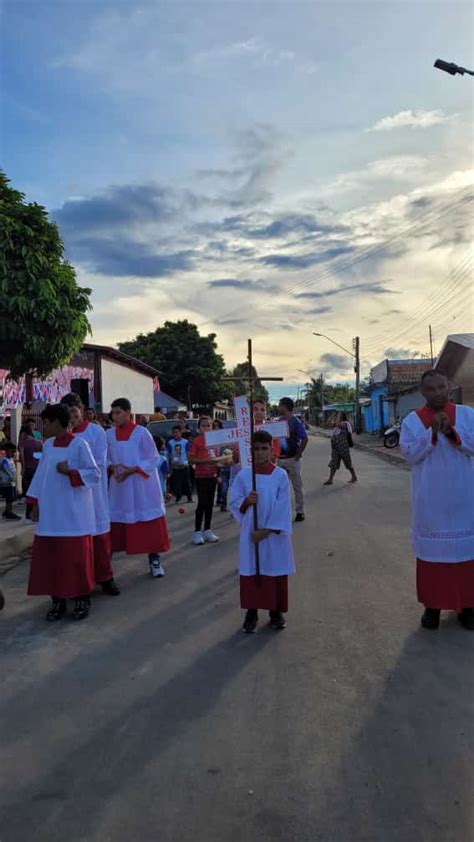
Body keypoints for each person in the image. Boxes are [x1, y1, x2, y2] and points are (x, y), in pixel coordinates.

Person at [400, 370, 474, 631]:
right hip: (430, 500)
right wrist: (430, 433)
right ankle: (432, 608)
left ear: (449, 387)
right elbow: (409, 455)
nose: (437, 393)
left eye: (441, 387)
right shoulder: (412, 421)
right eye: (431, 389)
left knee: (466, 556)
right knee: (433, 557)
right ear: (423, 392)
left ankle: (467, 607)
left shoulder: (467, 415)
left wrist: (452, 433)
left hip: (464, 497)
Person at [26, 403, 100, 621]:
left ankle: (81, 598)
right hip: (51, 512)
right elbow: (41, 475)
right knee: (53, 559)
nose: (44, 427)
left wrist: (71, 472)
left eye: (46, 423)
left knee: (76, 558)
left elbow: (94, 474)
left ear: (57, 422)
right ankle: (57, 599)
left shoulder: (80, 444)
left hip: (73, 513)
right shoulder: (48, 445)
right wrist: (34, 502)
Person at [230, 430, 295, 633]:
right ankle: (251, 613)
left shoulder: (280, 476)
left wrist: (266, 531)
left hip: (272, 535)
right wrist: (246, 502)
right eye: (256, 449)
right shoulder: (244, 475)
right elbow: (233, 501)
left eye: (264, 448)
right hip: (251, 533)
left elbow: (283, 506)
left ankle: (275, 612)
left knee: (273, 571)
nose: (260, 453)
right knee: (252, 571)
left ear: (271, 449)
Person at [60, 393, 120, 596]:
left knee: (100, 539)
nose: (72, 417)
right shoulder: (60, 436)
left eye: (74, 412)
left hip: (94, 494)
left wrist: (72, 471)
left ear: (82, 410)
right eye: (67, 413)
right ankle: (79, 580)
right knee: (76, 542)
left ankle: (105, 578)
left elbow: (98, 462)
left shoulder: (96, 432)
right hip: (71, 495)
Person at [107, 398, 170, 578]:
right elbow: (105, 456)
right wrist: (111, 466)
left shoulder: (142, 433)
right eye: (113, 413)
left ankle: (155, 560)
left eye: (118, 412)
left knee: (148, 521)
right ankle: (104, 568)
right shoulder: (108, 435)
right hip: (120, 485)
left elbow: (153, 458)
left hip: (140, 485)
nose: (115, 416)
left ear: (128, 412)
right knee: (115, 524)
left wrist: (133, 469)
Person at [189, 416, 220, 545]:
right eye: (203, 426)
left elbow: (217, 459)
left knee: (209, 504)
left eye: (209, 425)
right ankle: (197, 532)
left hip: (212, 476)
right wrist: (205, 461)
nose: (206, 428)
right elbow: (191, 460)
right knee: (202, 503)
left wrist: (221, 465)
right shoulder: (196, 441)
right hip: (201, 476)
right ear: (199, 428)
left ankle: (207, 529)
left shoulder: (215, 441)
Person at [277, 397, 308, 522]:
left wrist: (298, 454)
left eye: (279, 405)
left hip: (292, 459)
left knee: (297, 486)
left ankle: (300, 511)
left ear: (285, 406)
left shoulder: (295, 421)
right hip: (280, 459)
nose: (278, 407)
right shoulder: (278, 421)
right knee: (280, 488)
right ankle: (281, 512)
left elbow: (305, 438)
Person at [324, 412, 358, 485]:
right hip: (335, 446)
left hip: (343, 446)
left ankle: (354, 476)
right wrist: (332, 416)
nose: (337, 417)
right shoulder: (336, 426)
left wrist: (337, 418)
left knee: (347, 462)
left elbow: (338, 425)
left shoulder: (345, 423)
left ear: (342, 417)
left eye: (339, 415)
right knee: (334, 462)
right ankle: (330, 479)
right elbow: (327, 424)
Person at [19, 425, 43, 519]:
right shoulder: (39, 443)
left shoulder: (23, 444)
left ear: (24, 433)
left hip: (28, 469)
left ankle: (29, 514)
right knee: (37, 491)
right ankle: (37, 513)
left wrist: (23, 468)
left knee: (29, 492)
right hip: (37, 469)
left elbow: (22, 455)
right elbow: (42, 456)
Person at [167, 426, 192, 503]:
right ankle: (178, 497)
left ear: (181, 433)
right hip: (175, 466)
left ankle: (189, 497)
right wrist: (170, 465)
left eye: (177, 432)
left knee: (187, 482)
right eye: (174, 432)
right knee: (177, 483)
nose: (175, 434)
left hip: (184, 465)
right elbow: (169, 454)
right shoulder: (170, 443)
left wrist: (189, 461)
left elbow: (188, 452)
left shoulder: (185, 442)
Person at [1, 442, 21, 521]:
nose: (13, 453)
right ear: (7, 451)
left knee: (12, 497)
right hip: (7, 482)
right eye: (12, 452)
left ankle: (7, 510)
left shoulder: (10, 460)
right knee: (10, 497)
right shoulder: (4, 460)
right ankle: (9, 511)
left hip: (12, 482)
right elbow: (4, 469)